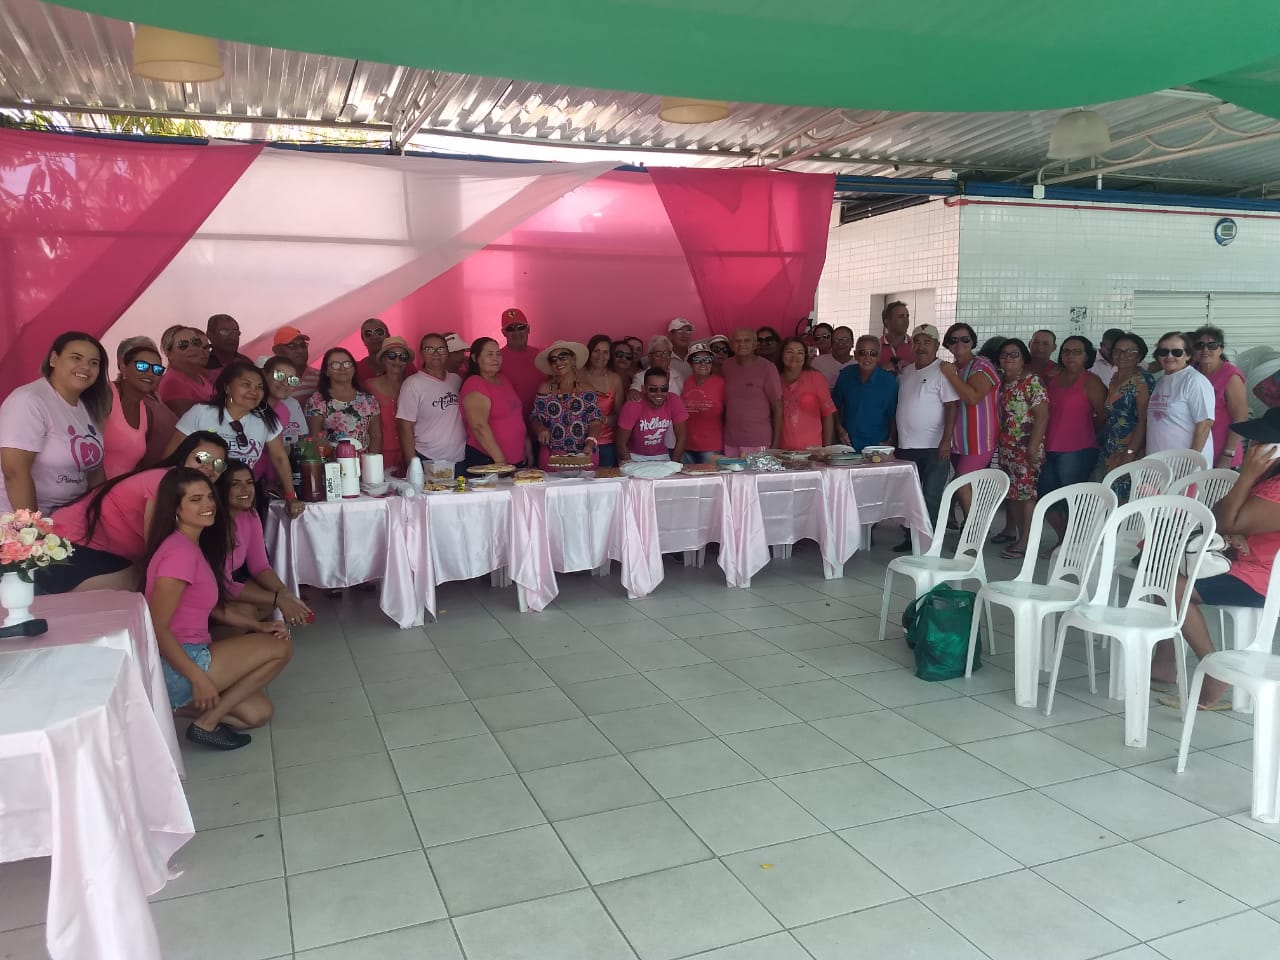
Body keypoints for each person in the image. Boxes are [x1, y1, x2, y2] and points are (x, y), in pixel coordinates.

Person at [145, 467, 292, 749]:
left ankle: (170, 707)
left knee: (258, 713)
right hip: (181, 662)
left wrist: (258, 626)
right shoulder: (178, 555)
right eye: (195, 499)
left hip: (191, 653)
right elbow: (158, 629)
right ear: (175, 509)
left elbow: (212, 607)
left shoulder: (191, 545)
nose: (208, 504)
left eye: (209, 496)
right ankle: (205, 722)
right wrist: (198, 679)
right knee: (281, 647)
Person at [1152, 416, 1280, 708]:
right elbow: (1217, 513)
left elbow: (1224, 523)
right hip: (1245, 564)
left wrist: (1245, 477)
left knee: (1174, 589)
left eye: (1261, 443)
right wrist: (1246, 484)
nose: (1253, 448)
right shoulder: (1268, 480)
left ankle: (1214, 672)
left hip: (1265, 578)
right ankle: (1165, 663)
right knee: (1162, 574)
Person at [46, 432, 230, 594]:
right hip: (66, 547)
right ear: (183, 456)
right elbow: (159, 549)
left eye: (218, 464)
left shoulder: (195, 494)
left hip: (103, 555)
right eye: (202, 458)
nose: (209, 467)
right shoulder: (162, 482)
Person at [169, 362, 305, 518]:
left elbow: (280, 458)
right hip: (200, 498)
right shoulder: (201, 413)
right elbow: (172, 455)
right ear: (227, 387)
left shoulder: (265, 420)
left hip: (240, 500)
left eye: (259, 387)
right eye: (246, 384)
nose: (253, 391)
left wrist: (291, 497)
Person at [0, 331, 108, 514]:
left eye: (94, 363)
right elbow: (14, 472)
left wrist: (100, 515)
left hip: (68, 518)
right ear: (54, 359)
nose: (85, 367)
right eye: (76, 358)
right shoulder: (29, 400)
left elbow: (95, 472)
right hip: (18, 520)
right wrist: (32, 526)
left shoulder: (87, 408)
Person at [215, 461, 312, 627]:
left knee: (269, 602)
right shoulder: (214, 524)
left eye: (249, 483)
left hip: (230, 583)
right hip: (212, 592)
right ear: (221, 488)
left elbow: (259, 566)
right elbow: (223, 585)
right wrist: (278, 599)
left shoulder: (250, 515)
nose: (245, 489)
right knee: (248, 610)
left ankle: (250, 632)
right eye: (235, 484)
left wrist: (285, 594)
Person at [893, 324, 959, 552]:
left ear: (937, 345)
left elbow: (951, 407)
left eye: (927, 342)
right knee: (910, 496)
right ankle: (910, 538)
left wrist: (946, 440)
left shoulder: (943, 370)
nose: (921, 347)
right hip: (906, 445)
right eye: (918, 342)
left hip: (934, 446)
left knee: (931, 495)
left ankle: (930, 543)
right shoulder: (906, 371)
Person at [1039, 336, 1107, 553]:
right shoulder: (1053, 379)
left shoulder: (1091, 381)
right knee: (1046, 497)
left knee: (1073, 500)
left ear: (1087, 356)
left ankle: (1074, 547)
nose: (1070, 356)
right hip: (1049, 447)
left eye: (1077, 351)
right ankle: (1064, 540)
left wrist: (1084, 430)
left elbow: (1103, 416)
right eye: (1066, 351)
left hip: (1078, 450)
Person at [989, 338, 1049, 559]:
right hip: (1007, 448)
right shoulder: (1002, 381)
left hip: (1027, 447)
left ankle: (1027, 541)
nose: (1008, 358)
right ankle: (1017, 534)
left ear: (1024, 358)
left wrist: (1032, 448)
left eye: (1014, 354)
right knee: (1013, 493)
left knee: (1027, 496)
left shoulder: (1032, 381)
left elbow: (1042, 417)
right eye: (1004, 354)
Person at [939, 322, 999, 524]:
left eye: (965, 339)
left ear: (973, 342)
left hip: (979, 440)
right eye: (953, 340)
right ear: (947, 344)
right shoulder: (953, 368)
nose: (959, 344)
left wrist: (951, 376)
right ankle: (968, 524)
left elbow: (973, 397)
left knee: (962, 482)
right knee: (966, 485)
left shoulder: (982, 365)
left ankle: (974, 529)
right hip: (957, 441)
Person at [396, 333, 466, 473]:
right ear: (422, 353)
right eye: (430, 349)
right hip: (428, 459)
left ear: (447, 352)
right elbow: (405, 427)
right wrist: (413, 466)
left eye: (441, 349)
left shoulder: (456, 380)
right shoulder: (413, 384)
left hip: (459, 459)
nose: (436, 354)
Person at [532, 341, 603, 468]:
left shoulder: (587, 389)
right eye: (553, 360)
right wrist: (540, 428)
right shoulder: (545, 389)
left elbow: (595, 421)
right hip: (552, 456)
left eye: (563, 357)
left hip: (584, 454)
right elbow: (535, 418)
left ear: (572, 359)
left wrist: (591, 442)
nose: (558, 362)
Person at [461, 337, 529, 467]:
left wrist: (527, 445)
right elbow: (479, 427)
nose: (495, 358)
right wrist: (500, 462)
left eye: (498, 354)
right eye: (490, 354)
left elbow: (515, 416)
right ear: (475, 358)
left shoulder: (503, 379)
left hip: (515, 460)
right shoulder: (474, 383)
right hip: (490, 462)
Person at [1147, 331, 1215, 461]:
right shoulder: (1160, 381)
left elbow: (1205, 423)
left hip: (1185, 464)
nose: (1169, 356)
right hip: (1159, 463)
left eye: (1176, 352)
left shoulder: (1195, 381)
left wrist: (1190, 461)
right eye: (1163, 352)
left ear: (1188, 355)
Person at [103, 342, 165, 479]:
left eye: (157, 369)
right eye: (142, 366)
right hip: (91, 488)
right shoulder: (106, 394)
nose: (150, 373)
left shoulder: (147, 413)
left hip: (120, 488)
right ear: (123, 367)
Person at [1192, 325, 1248, 469]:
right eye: (1199, 345)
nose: (1205, 350)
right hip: (1198, 449)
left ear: (1221, 349)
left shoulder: (1231, 376)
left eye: (1212, 345)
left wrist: (1228, 454)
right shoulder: (1193, 371)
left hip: (1222, 451)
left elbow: (1240, 419)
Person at [305, 348, 382, 453]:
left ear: (354, 368)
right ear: (326, 371)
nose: (342, 368)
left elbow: (376, 435)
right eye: (335, 365)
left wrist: (372, 459)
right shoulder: (316, 401)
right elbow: (315, 438)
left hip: (363, 460)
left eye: (347, 364)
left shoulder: (369, 400)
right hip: (331, 461)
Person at [1101, 332, 1156, 475]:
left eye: (1130, 352)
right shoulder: (1115, 377)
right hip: (1112, 446)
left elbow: (1144, 421)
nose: (1122, 355)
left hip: (1132, 448)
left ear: (1139, 356)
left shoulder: (1143, 380)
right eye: (1117, 351)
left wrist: (1130, 453)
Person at [723, 328, 782, 455]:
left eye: (747, 340)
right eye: (737, 341)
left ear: (755, 344)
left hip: (758, 441)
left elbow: (777, 407)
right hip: (730, 441)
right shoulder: (726, 366)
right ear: (731, 345)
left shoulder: (768, 368)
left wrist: (776, 443)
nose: (742, 344)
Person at [832, 335, 897, 450]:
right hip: (848, 446)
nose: (867, 357)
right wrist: (839, 429)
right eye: (862, 353)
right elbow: (834, 406)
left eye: (873, 353)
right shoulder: (846, 375)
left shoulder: (889, 381)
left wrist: (891, 441)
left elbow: (894, 415)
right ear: (855, 355)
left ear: (879, 357)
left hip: (877, 447)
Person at [616, 368, 687, 463]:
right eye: (653, 389)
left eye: (663, 389)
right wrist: (631, 466)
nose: (659, 393)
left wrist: (673, 465)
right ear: (643, 389)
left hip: (661, 455)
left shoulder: (674, 401)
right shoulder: (633, 405)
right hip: (634, 455)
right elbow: (620, 443)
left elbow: (681, 437)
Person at [777, 337, 835, 450]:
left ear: (805, 357)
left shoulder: (816, 378)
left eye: (800, 353)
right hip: (782, 451)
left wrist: (826, 449)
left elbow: (828, 414)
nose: (795, 356)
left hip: (812, 450)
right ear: (781, 354)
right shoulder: (775, 379)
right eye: (790, 352)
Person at [366, 336, 412, 475]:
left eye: (403, 357)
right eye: (392, 356)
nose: (397, 361)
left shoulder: (413, 385)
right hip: (379, 452)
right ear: (383, 359)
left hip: (408, 451)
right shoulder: (369, 386)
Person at [581, 335, 625, 468]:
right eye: (596, 351)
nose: (601, 356)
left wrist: (604, 419)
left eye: (605, 352)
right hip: (578, 443)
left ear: (610, 355)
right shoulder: (577, 375)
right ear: (589, 352)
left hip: (606, 444)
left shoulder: (615, 379)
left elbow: (621, 417)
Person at [681, 341, 725, 463]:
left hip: (711, 447)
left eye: (707, 359)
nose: (703, 363)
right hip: (687, 445)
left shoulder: (721, 384)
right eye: (697, 360)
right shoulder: (687, 382)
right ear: (690, 363)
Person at [157, 325, 215, 417]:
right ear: (169, 353)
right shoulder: (173, 382)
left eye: (195, 343)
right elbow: (191, 422)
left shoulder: (199, 377)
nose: (192, 348)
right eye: (183, 345)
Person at [498, 308, 545, 415]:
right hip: (512, 420)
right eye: (511, 329)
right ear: (504, 332)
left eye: (520, 327)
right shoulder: (496, 359)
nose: (516, 332)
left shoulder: (541, 355)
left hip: (541, 419)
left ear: (528, 329)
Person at [262, 357, 307, 453]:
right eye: (279, 375)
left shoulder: (284, 411)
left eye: (293, 380)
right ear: (264, 374)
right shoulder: (250, 406)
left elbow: (278, 454)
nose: (285, 383)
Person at [271, 325, 320, 399]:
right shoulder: (270, 380)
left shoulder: (319, 377)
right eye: (291, 346)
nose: (300, 350)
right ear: (276, 350)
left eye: (303, 345)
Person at [879, 301, 914, 375]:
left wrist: (911, 367)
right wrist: (879, 370)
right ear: (886, 321)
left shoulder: (916, 346)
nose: (906, 321)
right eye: (901, 316)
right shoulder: (875, 348)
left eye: (907, 316)